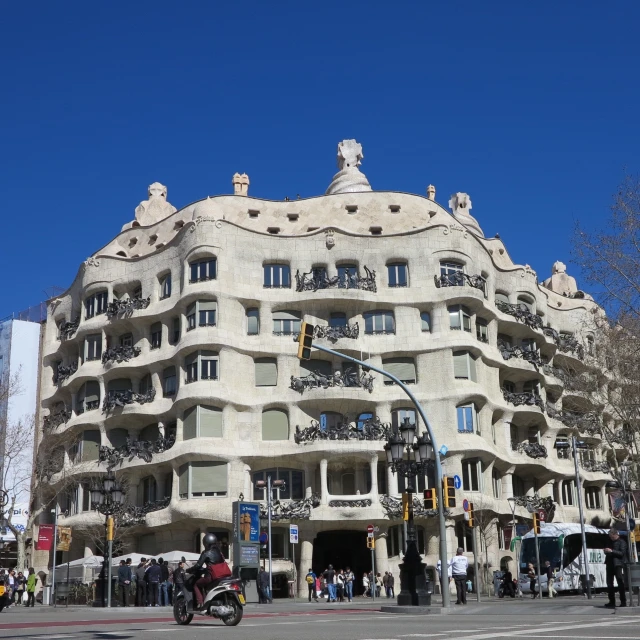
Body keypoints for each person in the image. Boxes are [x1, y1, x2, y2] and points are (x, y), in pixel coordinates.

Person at [191, 533, 232, 610]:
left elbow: (198, 565)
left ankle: (200, 603)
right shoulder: (219, 552)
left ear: (205, 543)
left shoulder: (205, 553)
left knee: (196, 584)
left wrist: (189, 569)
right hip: (223, 576)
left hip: (211, 576)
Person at [604, 527, 627, 608]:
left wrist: (612, 551)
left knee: (620, 583)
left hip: (618, 565)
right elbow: (607, 551)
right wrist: (606, 551)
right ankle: (611, 601)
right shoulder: (609, 542)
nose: (611, 538)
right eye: (610, 537)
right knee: (609, 584)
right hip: (609, 564)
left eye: (612, 536)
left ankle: (623, 602)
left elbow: (622, 553)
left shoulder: (622, 542)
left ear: (615, 535)